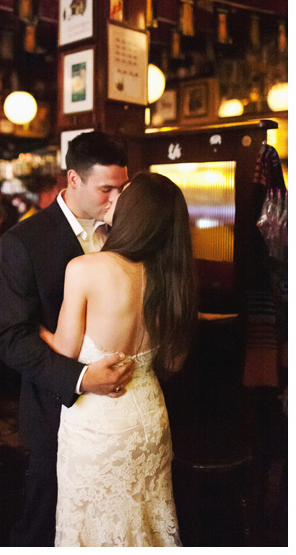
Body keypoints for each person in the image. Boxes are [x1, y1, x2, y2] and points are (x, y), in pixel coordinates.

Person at [0, 131, 135, 546]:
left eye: (121, 189)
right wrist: (80, 378)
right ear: (73, 180)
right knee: (46, 516)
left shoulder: (126, 233)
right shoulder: (24, 242)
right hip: (56, 403)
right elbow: (10, 336)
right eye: (106, 188)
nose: (115, 199)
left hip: (120, 409)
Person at [49, 172, 197, 546]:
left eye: (123, 195)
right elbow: (175, 362)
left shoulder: (86, 269)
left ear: (137, 213)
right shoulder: (173, 276)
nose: (113, 199)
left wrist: (34, 327)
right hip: (149, 415)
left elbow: (64, 352)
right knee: (147, 524)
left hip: (99, 422)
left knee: (96, 529)